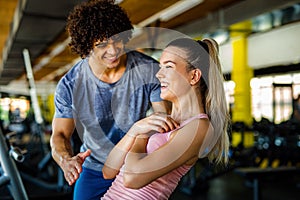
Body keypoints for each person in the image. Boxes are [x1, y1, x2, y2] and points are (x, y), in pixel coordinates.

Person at [49, 0, 170, 199]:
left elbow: (163, 119)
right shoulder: (70, 85)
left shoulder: (148, 71)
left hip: (134, 165)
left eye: (117, 40)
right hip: (93, 167)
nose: (113, 50)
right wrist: (65, 160)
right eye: (102, 44)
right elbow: (60, 134)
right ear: (87, 45)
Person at [101, 37, 230, 199]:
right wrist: (135, 130)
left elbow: (132, 179)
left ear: (194, 76)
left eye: (168, 66)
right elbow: (108, 171)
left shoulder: (199, 128)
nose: (159, 74)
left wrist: (141, 136)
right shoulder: (159, 121)